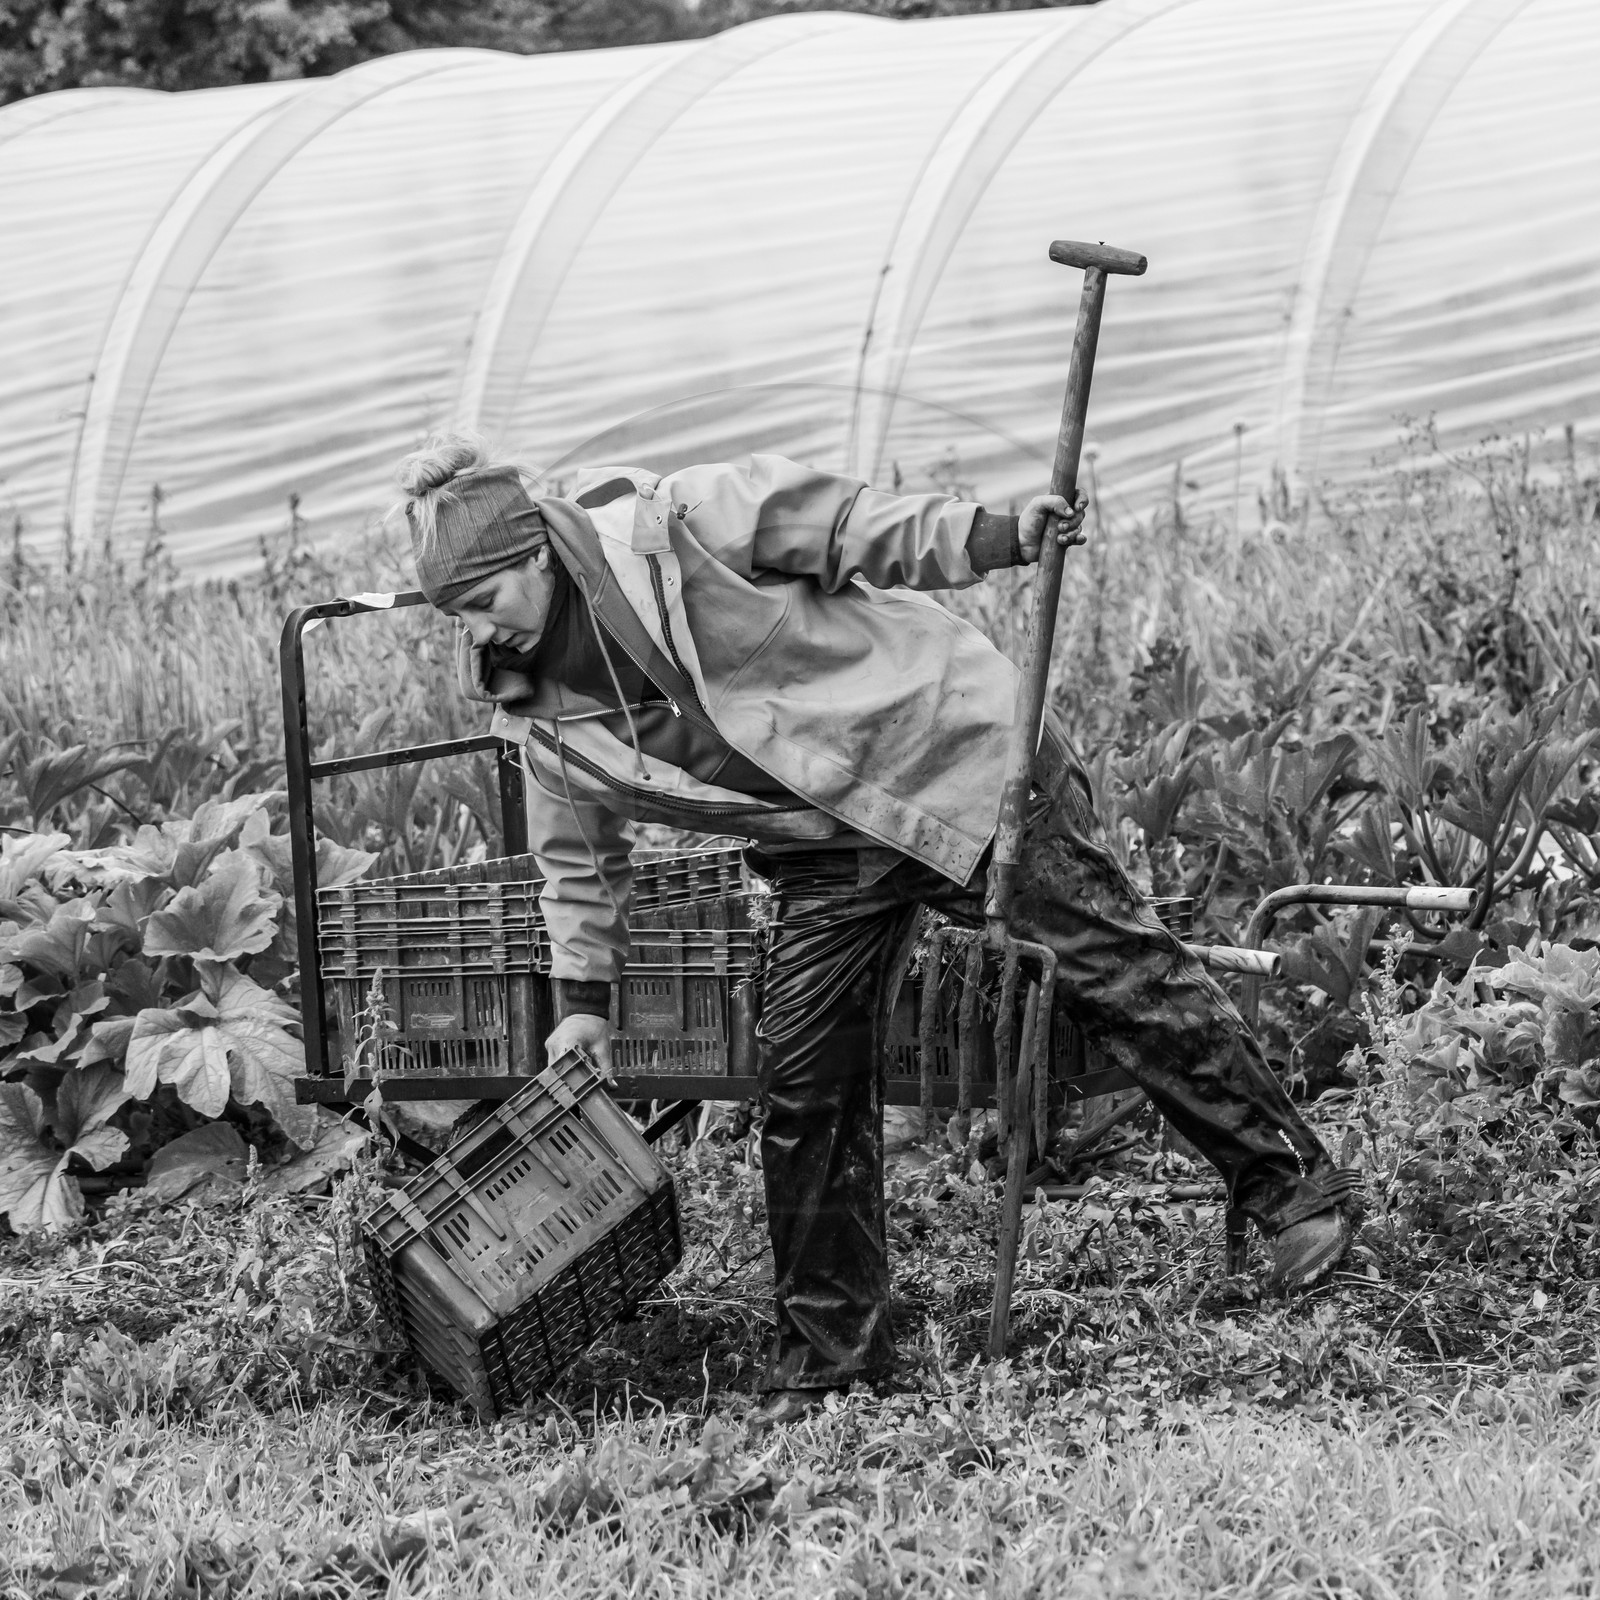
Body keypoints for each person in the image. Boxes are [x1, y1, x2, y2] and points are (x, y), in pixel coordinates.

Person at [397, 434, 1358, 1425]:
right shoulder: (537, 710)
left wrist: (994, 536)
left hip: (950, 753)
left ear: (539, 556)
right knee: (805, 1074)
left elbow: (848, 525)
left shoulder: (674, 525)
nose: (477, 633)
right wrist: (584, 1004)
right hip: (825, 836)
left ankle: (1292, 1192)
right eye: (456, 616)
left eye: (484, 601)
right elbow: (578, 864)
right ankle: (831, 1355)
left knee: (1113, 972)